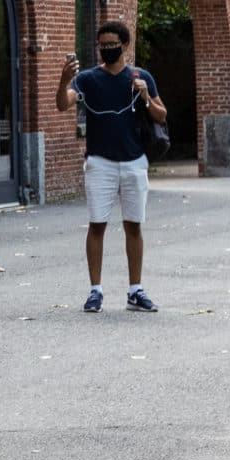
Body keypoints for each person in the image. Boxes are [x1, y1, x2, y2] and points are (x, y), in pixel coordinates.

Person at [58, 16, 167, 313]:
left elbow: (161, 115)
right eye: (102, 45)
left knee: (134, 226)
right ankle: (95, 290)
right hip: (100, 163)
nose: (106, 49)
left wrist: (145, 95)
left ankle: (135, 291)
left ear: (125, 45)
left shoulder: (140, 76)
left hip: (133, 163)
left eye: (112, 45)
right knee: (97, 225)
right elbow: (63, 104)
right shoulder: (89, 79)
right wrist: (64, 80)